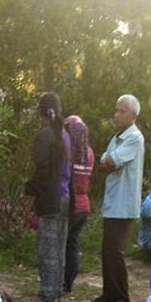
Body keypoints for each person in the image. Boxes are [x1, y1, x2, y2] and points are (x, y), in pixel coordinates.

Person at [95, 94, 145, 302]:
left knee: (115, 250)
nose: (116, 115)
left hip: (124, 204)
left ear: (133, 115)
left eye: (122, 111)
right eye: (116, 110)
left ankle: (122, 296)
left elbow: (110, 161)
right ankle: (109, 293)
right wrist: (108, 163)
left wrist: (108, 163)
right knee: (107, 249)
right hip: (113, 202)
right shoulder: (117, 137)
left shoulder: (134, 137)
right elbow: (103, 161)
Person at [25, 92, 71, 302]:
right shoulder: (65, 134)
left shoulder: (45, 135)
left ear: (41, 112)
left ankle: (48, 293)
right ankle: (57, 288)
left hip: (49, 199)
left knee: (47, 247)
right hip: (64, 195)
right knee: (59, 246)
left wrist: (30, 188)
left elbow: (42, 170)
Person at [63, 114, 94, 292]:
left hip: (71, 204)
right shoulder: (89, 152)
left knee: (62, 245)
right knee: (72, 245)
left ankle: (60, 283)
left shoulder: (69, 152)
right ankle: (69, 283)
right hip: (84, 205)